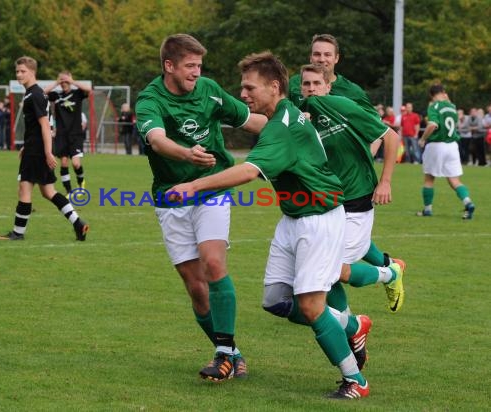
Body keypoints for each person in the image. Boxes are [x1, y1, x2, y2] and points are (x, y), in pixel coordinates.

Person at [169, 51, 370, 399]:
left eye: (249, 88)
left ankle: (356, 381)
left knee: (310, 305)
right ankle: (352, 324)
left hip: (319, 220)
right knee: (276, 301)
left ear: (274, 86)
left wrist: (192, 186)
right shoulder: (285, 111)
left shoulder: (281, 129)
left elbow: (248, 172)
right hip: (293, 217)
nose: (243, 94)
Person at [135, 34, 267, 382]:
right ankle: (231, 352)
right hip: (171, 197)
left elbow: (250, 120)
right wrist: (186, 153)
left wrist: (295, 129)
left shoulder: (208, 89)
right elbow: (157, 140)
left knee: (212, 262)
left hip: (212, 189)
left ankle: (222, 353)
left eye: (199, 65)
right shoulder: (150, 99)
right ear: (169, 66)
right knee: (195, 286)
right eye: (190, 66)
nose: (196, 72)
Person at [299, 63, 405, 315]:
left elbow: (391, 137)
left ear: (327, 86)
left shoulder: (344, 106)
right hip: (325, 201)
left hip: (356, 198)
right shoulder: (300, 116)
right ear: (300, 88)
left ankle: (389, 274)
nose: (312, 89)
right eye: (306, 84)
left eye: (317, 84)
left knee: (332, 269)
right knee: (321, 266)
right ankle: (348, 324)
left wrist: (385, 181)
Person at [293, 33, 400, 279]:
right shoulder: (298, 86)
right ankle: (343, 315)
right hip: (320, 189)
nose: (321, 59)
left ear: (336, 58)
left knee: (329, 265)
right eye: (317, 54)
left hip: (355, 187)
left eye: (327, 55)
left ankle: (389, 272)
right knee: (321, 259)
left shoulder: (350, 94)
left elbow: (381, 132)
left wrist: (375, 169)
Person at [0, 56, 89, 241]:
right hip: (34, 148)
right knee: (48, 192)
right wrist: (26, 146)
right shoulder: (34, 93)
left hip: (37, 151)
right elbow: (38, 127)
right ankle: (78, 224)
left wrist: (47, 152)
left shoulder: (35, 95)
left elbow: (45, 125)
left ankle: (18, 233)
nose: (19, 74)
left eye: (23, 71)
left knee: (25, 188)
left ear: (32, 72)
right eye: (17, 71)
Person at [417, 84, 475, 219]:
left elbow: (433, 124)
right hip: (452, 146)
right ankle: (468, 203)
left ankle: (427, 210)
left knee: (429, 178)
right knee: (454, 179)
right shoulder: (452, 107)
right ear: (443, 92)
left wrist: (422, 139)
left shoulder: (434, 106)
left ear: (431, 95)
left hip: (437, 145)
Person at [44, 71, 91, 195]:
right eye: (62, 81)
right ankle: (69, 191)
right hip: (61, 135)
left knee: (76, 164)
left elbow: (88, 89)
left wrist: (72, 81)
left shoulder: (77, 94)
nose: (64, 83)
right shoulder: (57, 95)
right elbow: (43, 93)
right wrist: (56, 83)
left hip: (75, 134)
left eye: (66, 81)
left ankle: (81, 183)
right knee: (64, 163)